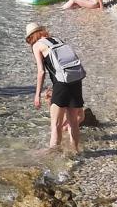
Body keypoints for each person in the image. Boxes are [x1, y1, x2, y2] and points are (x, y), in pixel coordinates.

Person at [26, 22, 87, 153]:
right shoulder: (57, 40)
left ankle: (54, 157)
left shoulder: (37, 45)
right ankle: (75, 151)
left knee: (56, 125)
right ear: (42, 31)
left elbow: (41, 71)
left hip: (61, 84)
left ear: (31, 37)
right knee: (73, 122)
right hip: (75, 80)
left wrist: (37, 94)